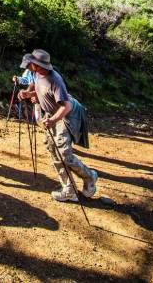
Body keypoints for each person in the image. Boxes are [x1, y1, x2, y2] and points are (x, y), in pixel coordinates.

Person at [18, 49, 97, 203]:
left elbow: (65, 106)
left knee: (64, 154)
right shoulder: (36, 74)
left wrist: (53, 120)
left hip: (65, 116)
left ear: (38, 65)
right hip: (52, 114)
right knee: (53, 150)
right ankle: (69, 190)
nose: (29, 65)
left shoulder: (55, 80)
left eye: (32, 63)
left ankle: (89, 176)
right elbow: (42, 91)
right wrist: (29, 94)